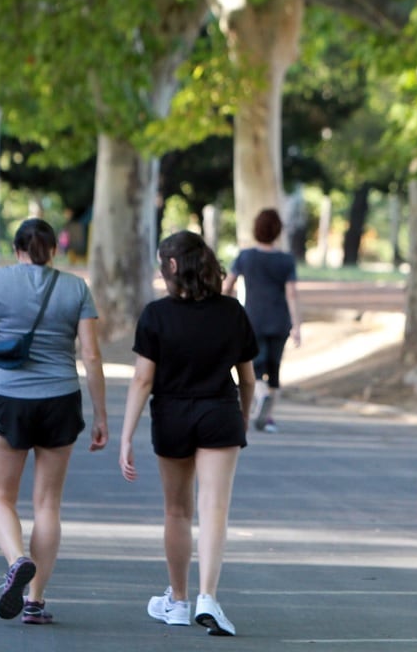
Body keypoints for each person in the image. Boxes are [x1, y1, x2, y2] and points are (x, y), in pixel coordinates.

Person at [0, 217, 108, 625]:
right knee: (48, 503)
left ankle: (16, 560)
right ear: (53, 251)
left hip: (10, 398)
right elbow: (92, 356)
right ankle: (35, 601)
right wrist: (101, 414)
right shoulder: (75, 287)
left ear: (17, 249)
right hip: (61, 400)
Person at [119, 231, 257, 637]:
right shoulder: (232, 312)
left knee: (177, 510)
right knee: (214, 509)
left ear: (173, 267)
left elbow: (143, 380)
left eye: (163, 263)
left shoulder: (156, 315)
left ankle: (177, 601)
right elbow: (247, 379)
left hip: (172, 415)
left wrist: (126, 435)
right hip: (219, 414)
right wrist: (243, 417)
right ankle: (208, 597)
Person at [223, 208, 301, 432]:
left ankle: (262, 395)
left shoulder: (245, 257)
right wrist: (297, 325)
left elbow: (228, 285)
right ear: (278, 232)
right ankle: (267, 416)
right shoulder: (286, 260)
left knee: (255, 367)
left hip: (252, 319)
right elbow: (292, 294)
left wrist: (225, 309)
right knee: (274, 368)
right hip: (279, 320)